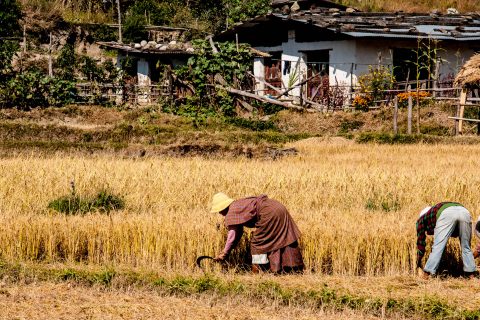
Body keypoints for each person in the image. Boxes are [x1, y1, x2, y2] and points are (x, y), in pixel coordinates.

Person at [210, 192, 304, 273]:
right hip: (278, 207)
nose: (219, 213)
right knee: (283, 237)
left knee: (257, 243)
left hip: (269, 213)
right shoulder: (237, 205)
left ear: (223, 207)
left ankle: (257, 271)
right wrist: (229, 250)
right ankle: (293, 268)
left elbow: (232, 236)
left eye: (219, 210)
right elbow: (238, 233)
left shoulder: (231, 212)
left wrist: (224, 253)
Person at [416, 202, 476, 278]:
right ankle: (471, 275)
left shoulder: (422, 219)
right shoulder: (436, 210)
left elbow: (420, 242)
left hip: (447, 214)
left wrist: (418, 259)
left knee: (438, 247)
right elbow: (455, 233)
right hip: (465, 212)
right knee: (466, 246)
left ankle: (426, 274)